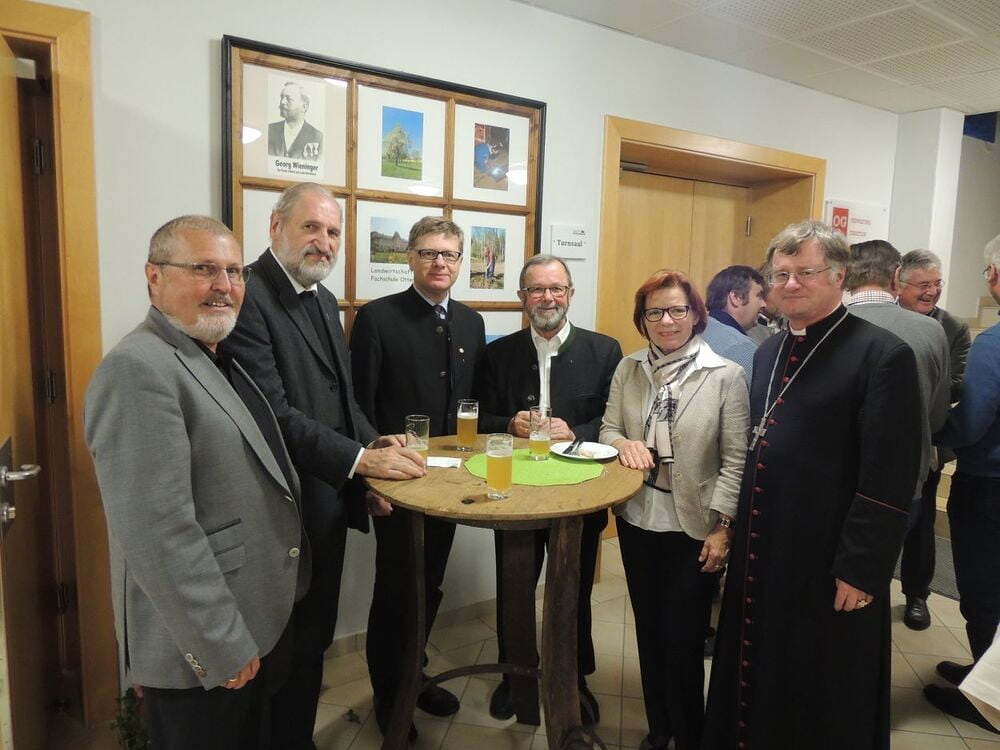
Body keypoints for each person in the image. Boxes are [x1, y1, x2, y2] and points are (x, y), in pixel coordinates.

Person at [85, 216, 307, 748]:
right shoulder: (137, 369)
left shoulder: (209, 353)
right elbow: (158, 533)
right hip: (205, 649)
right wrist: (221, 644)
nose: (224, 285)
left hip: (254, 617)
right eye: (204, 269)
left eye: (234, 271)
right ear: (154, 276)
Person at [703, 220, 923, 750]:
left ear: (839, 275)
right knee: (760, 663)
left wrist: (861, 569)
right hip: (766, 546)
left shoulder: (882, 355)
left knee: (820, 682)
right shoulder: (768, 351)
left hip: (827, 557)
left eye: (806, 272)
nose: (791, 284)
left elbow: (889, 475)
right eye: (780, 274)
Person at [227, 183, 425, 749]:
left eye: (333, 231)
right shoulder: (247, 296)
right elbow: (273, 414)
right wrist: (362, 460)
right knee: (280, 652)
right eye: (311, 227)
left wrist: (373, 442)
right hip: (281, 511)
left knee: (312, 641)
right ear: (275, 227)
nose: (324, 241)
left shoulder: (321, 297)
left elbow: (342, 402)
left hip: (326, 504)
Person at [598, 269, 747, 750]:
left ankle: (690, 734)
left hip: (695, 526)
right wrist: (623, 444)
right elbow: (607, 429)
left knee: (683, 639)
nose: (667, 321)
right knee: (648, 630)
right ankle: (659, 728)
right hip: (638, 518)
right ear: (642, 319)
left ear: (696, 315)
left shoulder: (724, 375)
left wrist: (724, 528)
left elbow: (736, 460)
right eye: (655, 312)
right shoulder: (629, 368)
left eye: (678, 310)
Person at [351, 216, 486, 739]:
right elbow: (358, 406)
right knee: (396, 590)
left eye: (449, 254)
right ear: (410, 258)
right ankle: (390, 699)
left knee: (430, 583)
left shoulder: (471, 322)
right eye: (429, 253)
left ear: (461, 262)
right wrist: (368, 479)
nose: (439, 263)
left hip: (449, 484)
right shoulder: (377, 318)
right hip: (397, 482)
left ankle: (416, 674)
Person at [474, 254, 622, 724]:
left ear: (570, 294)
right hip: (514, 492)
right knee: (513, 589)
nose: (547, 298)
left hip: (580, 494)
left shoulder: (605, 350)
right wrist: (508, 423)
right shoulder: (498, 353)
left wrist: (576, 431)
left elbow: (614, 419)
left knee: (572, 588)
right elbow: (476, 415)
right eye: (537, 289)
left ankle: (573, 678)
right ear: (522, 297)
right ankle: (514, 676)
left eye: (556, 288)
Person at [845, 239, 950, 631]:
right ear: (895, 277)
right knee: (878, 570)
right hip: (904, 481)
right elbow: (936, 415)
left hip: (839, 477)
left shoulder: (827, 326)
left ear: (844, 275)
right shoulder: (930, 330)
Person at [924, 235, 1000, 735]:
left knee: (983, 589)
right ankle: (984, 672)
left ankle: (987, 700)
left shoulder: (994, 343)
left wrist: (932, 437)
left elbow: (971, 421)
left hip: (990, 485)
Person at [896, 248, 971, 629]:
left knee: (921, 523)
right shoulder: (885, 319)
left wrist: (919, 390)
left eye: (937, 284)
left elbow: (958, 382)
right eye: (923, 284)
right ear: (899, 284)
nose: (931, 291)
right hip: (883, 437)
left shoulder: (952, 327)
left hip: (930, 438)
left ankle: (916, 595)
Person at [702, 265, 765, 384]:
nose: (763, 304)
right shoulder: (742, 347)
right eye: (759, 296)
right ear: (736, 297)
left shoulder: (694, 331)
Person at [267, 81, 324, 160]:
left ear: (304, 107)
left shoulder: (318, 137)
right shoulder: (269, 130)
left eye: (289, 99)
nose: (282, 102)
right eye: (282, 97)